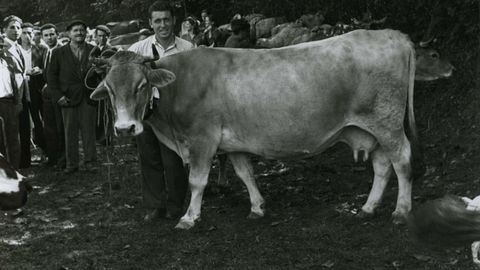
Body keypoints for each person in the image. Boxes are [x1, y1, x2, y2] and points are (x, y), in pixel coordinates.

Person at [128, 0, 193, 221]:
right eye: (158, 20)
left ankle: (176, 205)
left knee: (174, 158)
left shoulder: (187, 49)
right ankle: (155, 205)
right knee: (149, 157)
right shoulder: (137, 50)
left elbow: (196, 83)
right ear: (150, 23)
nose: (163, 25)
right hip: (146, 113)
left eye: (166, 19)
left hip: (175, 114)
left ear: (174, 21)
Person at [47, 20, 98, 174]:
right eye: (75, 30)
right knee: (69, 132)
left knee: (89, 132)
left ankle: (90, 162)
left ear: (86, 32)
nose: (79, 33)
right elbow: (51, 77)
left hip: (88, 96)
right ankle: (72, 164)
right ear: (69, 34)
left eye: (82, 30)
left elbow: (101, 73)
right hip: (67, 98)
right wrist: (58, 96)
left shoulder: (93, 50)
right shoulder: (58, 52)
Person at [2, 15, 30, 168]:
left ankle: (24, 161)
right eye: (12, 27)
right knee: (11, 132)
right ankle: (14, 164)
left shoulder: (18, 46)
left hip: (22, 93)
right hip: (10, 95)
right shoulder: (3, 47)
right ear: (4, 29)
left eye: (18, 27)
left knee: (24, 127)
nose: (16, 31)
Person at [19, 22, 47, 165]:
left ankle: (45, 151)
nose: (28, 36)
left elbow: (47, 69)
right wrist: (26, 72)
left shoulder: (41, 49)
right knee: (24, 122)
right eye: (25, 33)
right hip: (21, 88)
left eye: (30, 33)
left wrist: (41, 71)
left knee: (39, 120)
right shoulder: (16, 49)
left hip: (37, 88)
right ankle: (25, 157)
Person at [40, 23, 65, 168]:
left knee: (61, 127)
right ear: (42, 38)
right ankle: (53, 158)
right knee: (50, 127)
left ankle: (63, 159)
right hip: (48, 95)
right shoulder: (46, 51)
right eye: (46, 35)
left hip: (59, 94)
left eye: (52, 34)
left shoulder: (62, 51)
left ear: (57, 34)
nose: (49, 38)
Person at [92, 24, 116, 145]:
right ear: (95, 37)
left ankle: (109, 136)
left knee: (109, 109)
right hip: (96, 83)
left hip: (109, 83)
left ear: (108, 37)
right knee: (98, 111)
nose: (101, 38)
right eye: (99, 36)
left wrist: (105, 69)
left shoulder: (112, 50)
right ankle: (100, 136)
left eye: (104, 36)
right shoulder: (94, 50)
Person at [0, 36, 21, 169]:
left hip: (9, 103)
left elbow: (16, 83)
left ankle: (14, 170)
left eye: (1, 46)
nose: (0, 49)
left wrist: (18, 102)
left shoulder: (9, 61)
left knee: (13, 138)